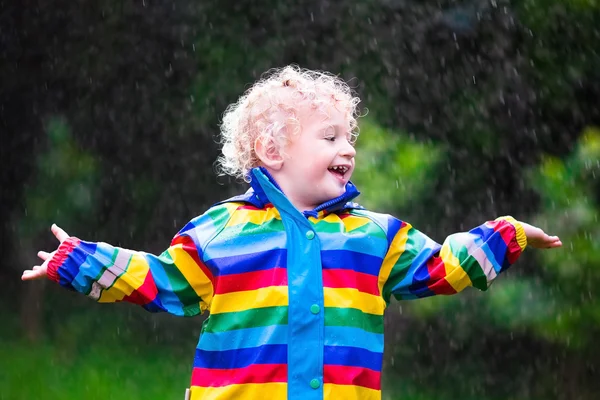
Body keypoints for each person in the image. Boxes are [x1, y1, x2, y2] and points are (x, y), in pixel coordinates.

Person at [22, 65, 562, 400]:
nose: (346, 149)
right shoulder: (221, 231)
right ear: (273, 151)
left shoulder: (376, 237)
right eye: (329, 137)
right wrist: (79, 261)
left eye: (348, 138)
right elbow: (160, 279)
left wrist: (505, 235)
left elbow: (441, 266)